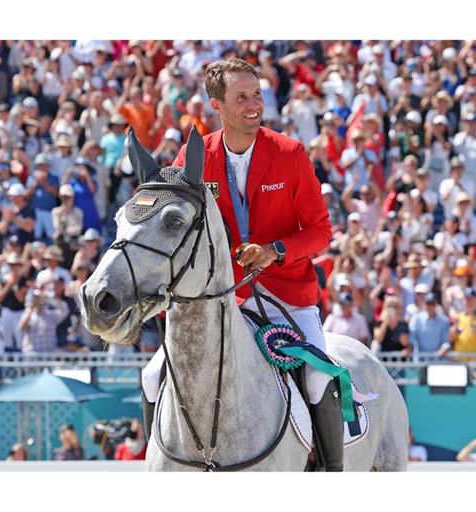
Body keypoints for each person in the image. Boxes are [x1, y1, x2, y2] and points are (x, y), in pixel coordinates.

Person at [141, 58, 340, 470]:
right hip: (219, 297)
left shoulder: (291, 153)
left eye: (257, 94)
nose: (254, 104)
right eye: (241, 97)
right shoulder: (194, 157)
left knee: (320, 379)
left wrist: (275, 251)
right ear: (217, 105)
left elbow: (321, 232)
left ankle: (329, 473)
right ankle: (159, 467)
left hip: (286, 296)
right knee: (150, 376)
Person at [20, 289, 68, 353]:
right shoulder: (28, 315)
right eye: (35, 297)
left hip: (48, 356)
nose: (38, 299)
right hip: (31, 356)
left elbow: (64, 310)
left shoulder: (51, 315)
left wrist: (50, 297)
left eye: (39, 297)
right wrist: (31, 306)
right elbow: (22, 328)